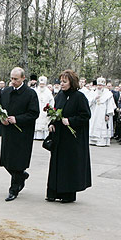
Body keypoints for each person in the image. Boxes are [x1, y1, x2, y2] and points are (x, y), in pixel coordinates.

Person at [47, 69, 91, 203]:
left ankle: (67, 194)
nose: (62, 84)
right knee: (56, 164)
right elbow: (55, 112)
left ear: (71, 83)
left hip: (72, 139)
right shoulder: (59, 95)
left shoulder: (79, 97)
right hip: (59, 136)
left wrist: (71, 121)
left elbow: (85, 115)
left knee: (68, 166)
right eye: (61, 81)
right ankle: (53, 192)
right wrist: (52, 123)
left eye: (64, 81)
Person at [0, 67, 39, 202]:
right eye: (11, 78)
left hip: (22, 133)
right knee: (6, 161)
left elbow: (34, 113)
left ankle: (13, 189)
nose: (13, 81)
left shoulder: (30, 94)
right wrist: (1, 119)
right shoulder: (5, 91)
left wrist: (18, 119)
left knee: (18, 162)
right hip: (8, 131)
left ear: (23, 78)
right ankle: (21, 176)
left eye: (16, 79)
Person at [88, 77, 116, 146]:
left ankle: (102, 141)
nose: (99, 87)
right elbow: (88, 102)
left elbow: (110, 105)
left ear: (104, 86)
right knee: (93, 125)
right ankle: (93, 140)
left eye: (101, 85)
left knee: (103, 126)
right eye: (98, 85)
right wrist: (94, 99)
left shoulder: (108, 94)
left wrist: (107, 114)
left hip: (103, 114)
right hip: (94, 113)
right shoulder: (93, 92)